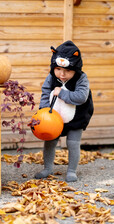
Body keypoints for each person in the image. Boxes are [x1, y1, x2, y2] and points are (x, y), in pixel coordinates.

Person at [34, 40, 94, 182]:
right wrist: (43, 110)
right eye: (59, 69)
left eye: (67, 71)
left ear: (75, 70)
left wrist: (61, 93)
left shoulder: (81, 79)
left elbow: (81, 97)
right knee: (50, 142)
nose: (62, 74)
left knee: (73, 143)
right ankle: (47, 168)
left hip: (76, 117)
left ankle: (72, 171)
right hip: (54, 117)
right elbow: (45, 92)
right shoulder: (51, 77)